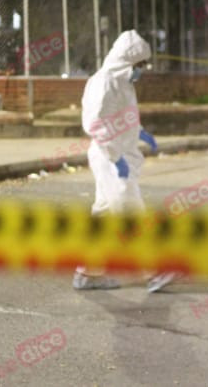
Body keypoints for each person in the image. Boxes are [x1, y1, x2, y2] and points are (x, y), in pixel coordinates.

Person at [73, 30, 176, 293]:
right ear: (127, 61)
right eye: (140, 65)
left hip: (118, 153)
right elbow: (95, 123)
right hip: (110, 157)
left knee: (105, 213)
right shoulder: (104, 82)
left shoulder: (123, 82)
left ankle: (87, 274)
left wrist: (140, 132)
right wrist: (116, 159)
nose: (142, 70)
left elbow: (123, 115)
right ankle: (153, 271)